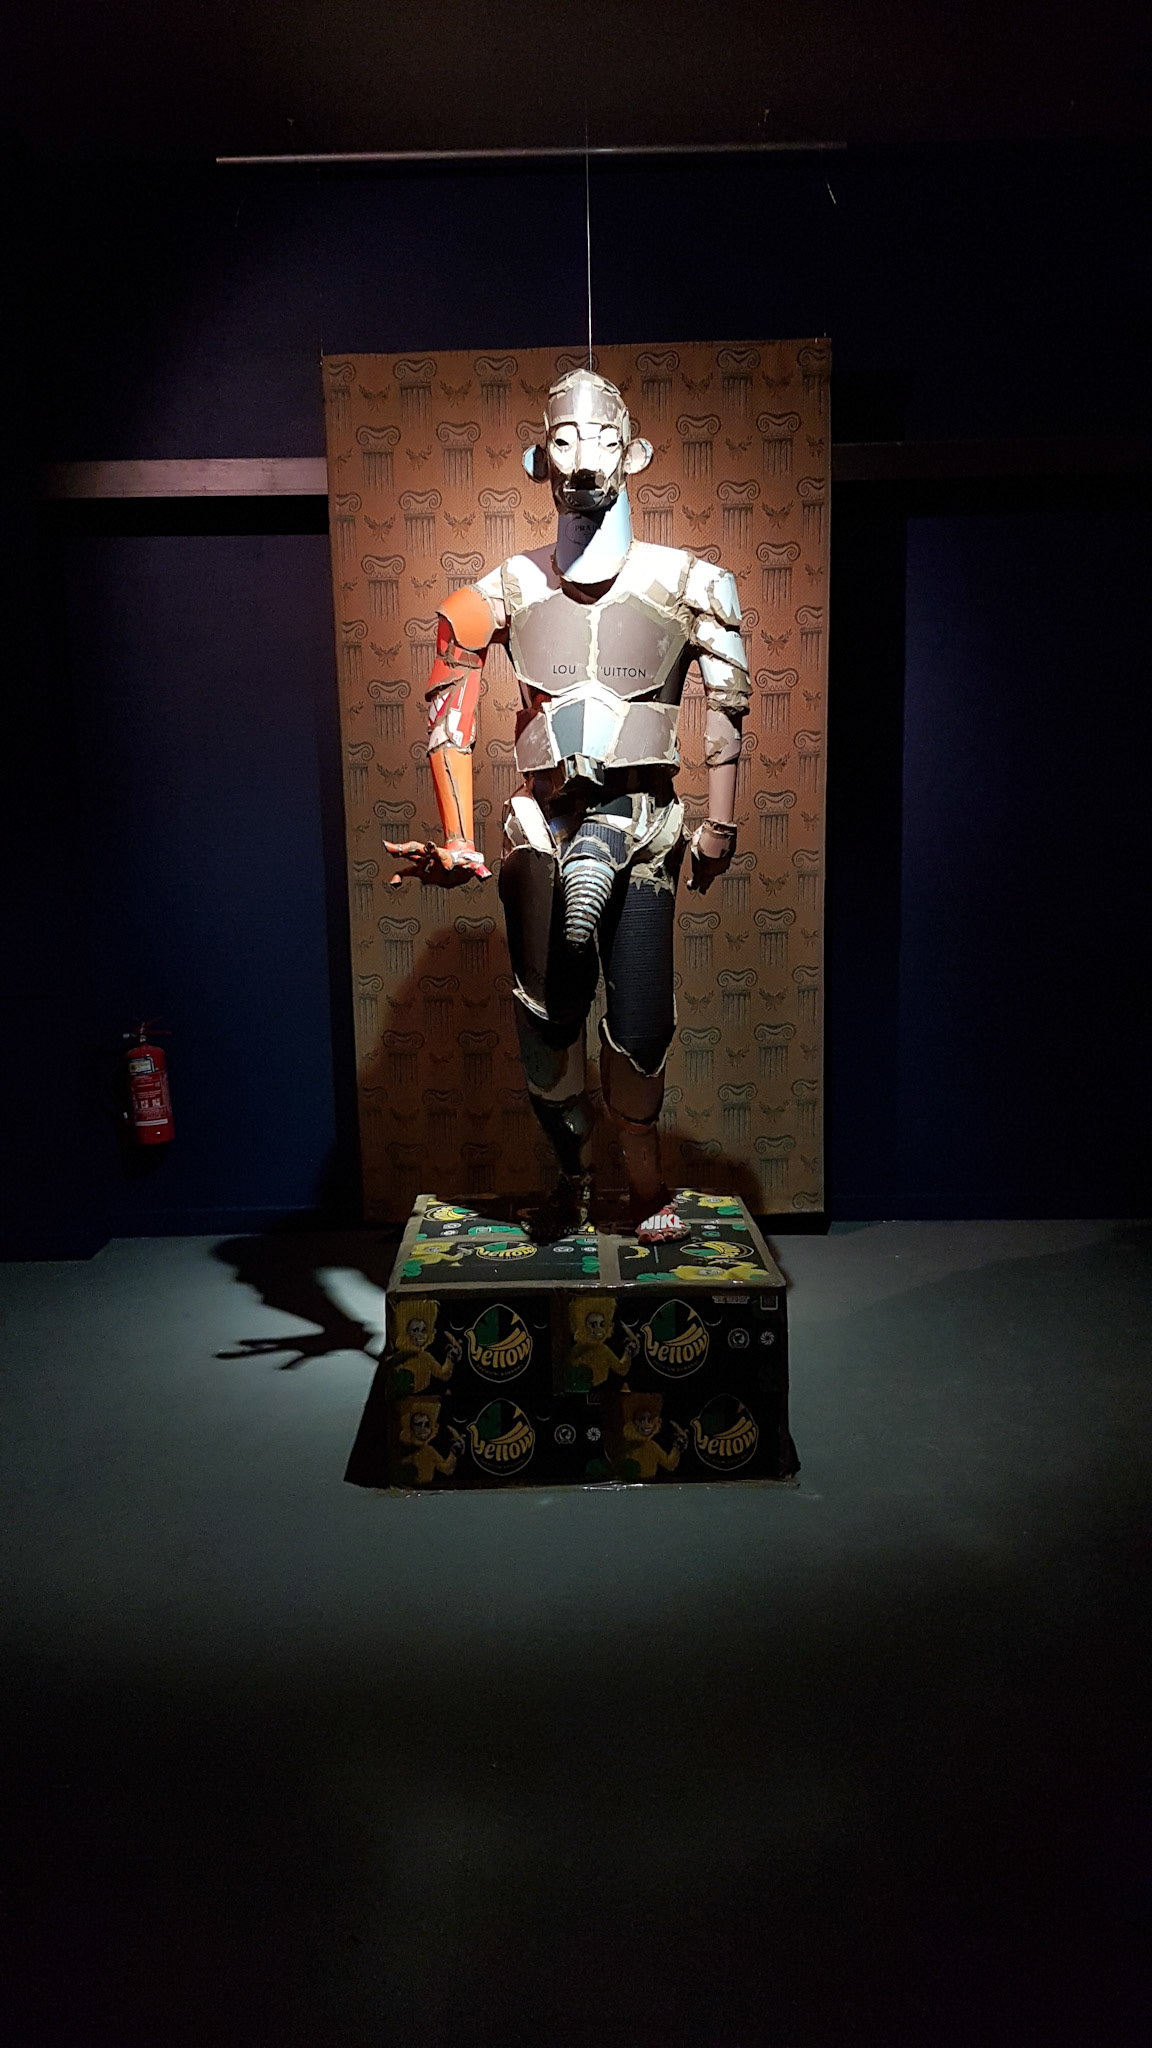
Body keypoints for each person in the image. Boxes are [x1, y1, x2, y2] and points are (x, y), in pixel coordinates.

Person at [385, 368, 749, 1244]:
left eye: (603, 439)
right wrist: (457, 837)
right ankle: (570, 1178)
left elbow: (727, 705)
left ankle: (644, 1181)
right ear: (539, 458)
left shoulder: (694, 583)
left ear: (635, 453)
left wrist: (721, 822)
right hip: (543, 830)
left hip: (646, 826)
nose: (584, 458)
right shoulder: (495, 594)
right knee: (547, 1023)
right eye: (564, 439)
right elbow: (450, 715)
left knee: (640, 1024)